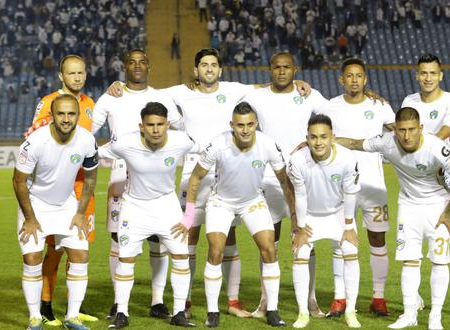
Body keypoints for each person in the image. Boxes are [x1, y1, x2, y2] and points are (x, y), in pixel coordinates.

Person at [106, 48, 312, 319]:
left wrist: (296, 83)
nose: (209, 69)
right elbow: (148, 93)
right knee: (186, 235)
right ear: (196, 70)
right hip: (195, 169)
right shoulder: (179, 92)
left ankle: (233, 299)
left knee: (229, 238)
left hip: (229, 171)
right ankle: (187, 300)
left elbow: (265, 88)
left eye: (214, 64)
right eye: (204, 65)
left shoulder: (235, 89)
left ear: (220, 69)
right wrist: (119, 85)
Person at [336, 107, 450, 330]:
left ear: (420, 128)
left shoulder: (438, 149)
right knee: (409, 261)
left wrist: (448, 211)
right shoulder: (386, 142)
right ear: (395, 130)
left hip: (438, 207)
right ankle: (410, 314)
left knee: (439, 260)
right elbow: (354, 143)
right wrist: (319, 141)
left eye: (411, 130)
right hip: (409, 206)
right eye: (401, 130)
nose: (406, 136)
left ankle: (435, 317)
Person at [91, 49, 182, 320]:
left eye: (143, 61)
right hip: (121, 174)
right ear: (124, 67)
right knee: (119, 238)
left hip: (156, 174)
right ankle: (119, 301)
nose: (138, 66)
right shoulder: (111, 96)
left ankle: (157, 301)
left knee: (160, 240)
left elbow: (180, 129)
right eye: (132, 62)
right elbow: (88, 130)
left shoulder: (162, 96)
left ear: (149, 66)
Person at [185, 102, 294, 327]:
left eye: (250, 124)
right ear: (231, 125)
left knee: (269, 249)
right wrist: (188, 216)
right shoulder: (218, 144)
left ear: (256, 124)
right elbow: (195, 178)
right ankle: (213, 312)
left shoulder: (267, 145)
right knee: (216, 251)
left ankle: (271, 310)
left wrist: (295, 217)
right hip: (220, 203)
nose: (245, 130)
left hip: (253, 202)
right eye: (240, 125)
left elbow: (284, 181)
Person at [243, 52, 328, 319]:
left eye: (287, 67)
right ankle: (265, 302)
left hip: (302, 176)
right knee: (268, 241)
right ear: (270, 69)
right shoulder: (257, 95)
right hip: (267, 177)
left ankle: (311, 301)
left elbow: (337, 112)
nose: (282, 72)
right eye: (277, 67)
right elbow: (219, 101)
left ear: (295, 69)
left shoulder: (308, 95)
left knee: (306, 238)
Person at [99, 102, 196, 328]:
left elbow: (209, 150)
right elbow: (93, 152)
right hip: (134, 208)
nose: (155, 130)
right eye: (150, 125)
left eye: (160, 124)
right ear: (141, 126)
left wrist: (189, 215)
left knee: (181, 257)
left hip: (167, 207)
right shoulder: (124, 143)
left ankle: (179, 312)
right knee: (126, 259)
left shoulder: (181, 141)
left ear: (167, 125)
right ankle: (121, 313)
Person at [316, 58, 395, 317]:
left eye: (358, 76)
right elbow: (320, 135)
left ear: (365, 79)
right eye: (349, 75)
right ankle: (339, 298)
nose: (354, 80)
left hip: (374, 185)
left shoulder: (380, 105)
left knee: (378, 239)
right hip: (340, 185)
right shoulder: (330, 106)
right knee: (341, 241)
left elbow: (398, 133)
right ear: (341, 79)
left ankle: (379, 297)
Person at [24, 54, 98, 326]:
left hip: (83, 189)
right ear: (61, 76)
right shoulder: (49, 103)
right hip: (57, 187)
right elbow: (34, 138)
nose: (77, 78)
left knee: (78, 248)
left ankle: (74, 310)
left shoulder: (89, 104)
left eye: (81, 73)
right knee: (53, 250)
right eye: (72, 73)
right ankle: (45, 304)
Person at [401, 53, 450, 319]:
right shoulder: (409, 101)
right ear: (417, 75)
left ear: (440, 75)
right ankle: (414, 295)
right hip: (415, 180)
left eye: (433, 73)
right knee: (413, 239)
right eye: (423, 73)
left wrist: (426, 145)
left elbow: (447, 129)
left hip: (446, 178)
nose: (427, 78)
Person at [289, 114, 361, 328]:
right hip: (310, 215)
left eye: (323, 137)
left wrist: (348, 227)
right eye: (313, 137)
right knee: (301, 253)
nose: (318, 142)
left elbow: (350, 194)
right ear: (307, 138)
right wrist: (300, 228)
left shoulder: (347, 158)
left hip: (338, 213)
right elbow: (299, 195)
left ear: (332, 137)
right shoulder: (297, 159)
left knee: (350, 250)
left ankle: (350, 312)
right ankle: (303, 313)